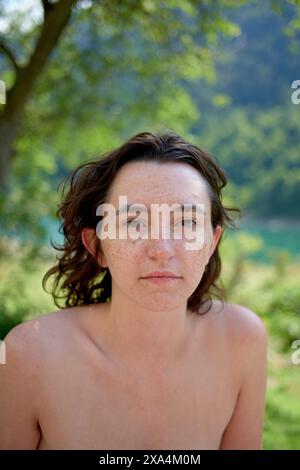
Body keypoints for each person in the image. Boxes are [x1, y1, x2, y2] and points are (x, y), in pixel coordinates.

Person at [0, 131, 268, 450]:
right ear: (96, 246)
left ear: (212, 243)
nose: (162, 249)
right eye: (134, 222)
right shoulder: (28, 356)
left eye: (186, 222)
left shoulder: (243, 342)